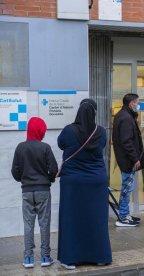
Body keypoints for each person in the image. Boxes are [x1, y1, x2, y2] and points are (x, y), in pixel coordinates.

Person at [57, 99, 112, 269]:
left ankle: (70, 259)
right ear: (94, 113)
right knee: (97, 219)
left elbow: (61, 144)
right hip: (97, 181)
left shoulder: (68, 130)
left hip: (73, 182)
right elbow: (101, 146)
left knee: (72, 220)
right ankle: (100, 257)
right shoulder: (101, 132)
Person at [11, 117, 58, 269]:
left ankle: (28, 258)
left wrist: (23, 180)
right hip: (43, 190)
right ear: (40, 130)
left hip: (27, 191)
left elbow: (15, 171)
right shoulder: (45, 147)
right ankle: (45, 257)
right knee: (44, 224)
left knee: (28, 224)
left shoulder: (20, 147)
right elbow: (54, 169)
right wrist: (49, 179)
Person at [112, 93, 144, 227]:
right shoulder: (126, 118)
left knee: (127, 187)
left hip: (126, 159)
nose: (138, 105)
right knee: (126, 188)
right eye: (137, 103)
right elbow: (126, 141)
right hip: (127, 160)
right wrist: (135, 158)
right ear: (131, 103)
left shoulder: (123, 115)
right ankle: (122, 217)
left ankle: (125, 214)